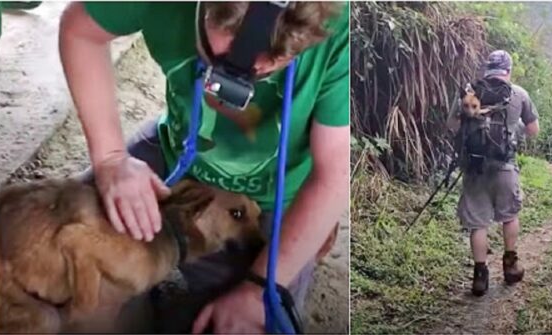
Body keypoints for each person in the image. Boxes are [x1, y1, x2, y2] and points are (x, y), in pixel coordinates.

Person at [59, 1, 349, 333]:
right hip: (176, 152)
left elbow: (334, 176)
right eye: (230, 57)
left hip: (276, 198)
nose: (251, 70)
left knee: (246, 321)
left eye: (275, 61)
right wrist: (110, 159)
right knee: (64, 249)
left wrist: (257, 289)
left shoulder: (343, 28)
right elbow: (80, 30)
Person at [447, 50, 539, 296]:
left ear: (486, 68)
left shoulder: (470, 92)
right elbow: (533, 130)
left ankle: (480, 277)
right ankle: (510, 266)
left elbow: (452, 125)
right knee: (509, 215)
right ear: (508, 70)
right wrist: (514, 127)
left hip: (474, 168)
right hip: (505, 166)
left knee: (478, 223)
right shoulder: (519, 94)